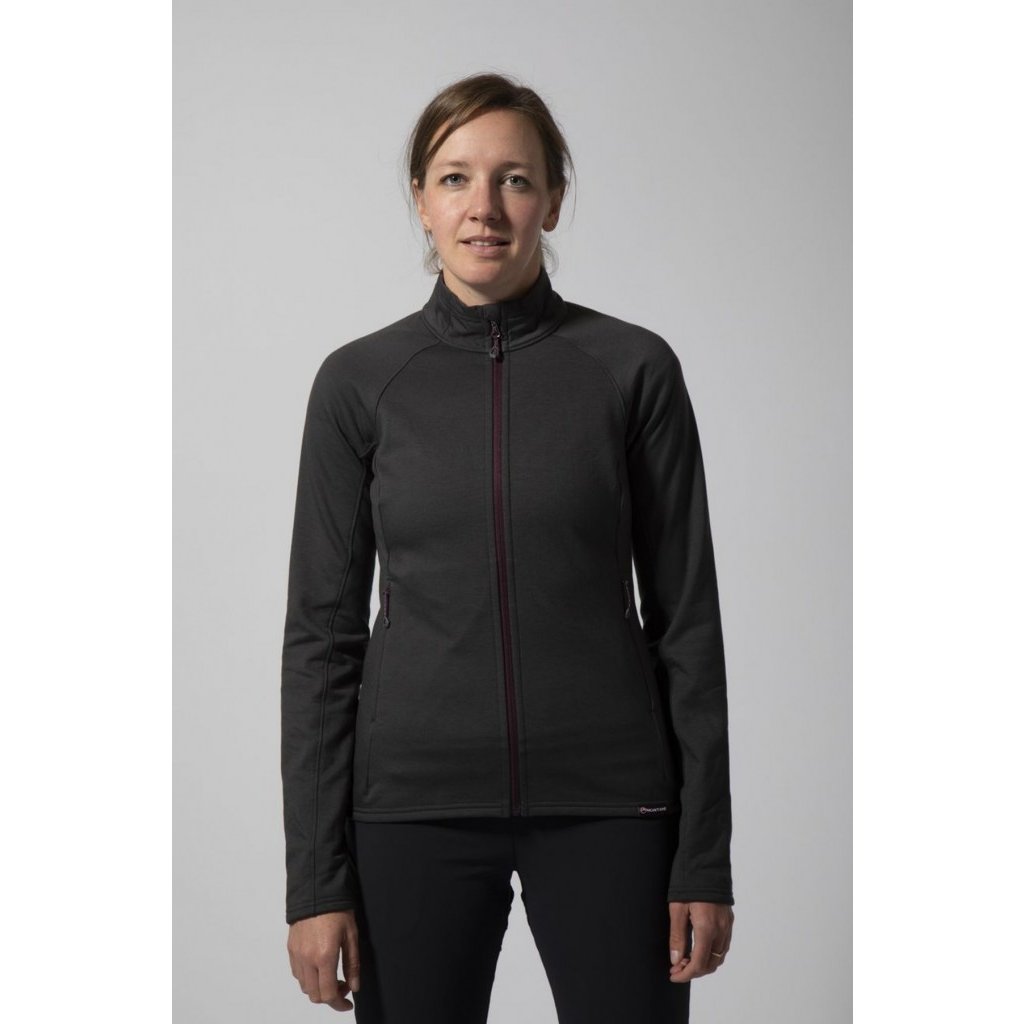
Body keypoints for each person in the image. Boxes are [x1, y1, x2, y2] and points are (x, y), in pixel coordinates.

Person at [281, 71, 735, 1023]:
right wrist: (316, 882)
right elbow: (321, 641)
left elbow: (687, 624)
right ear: (420, 199)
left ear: (553, 200)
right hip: (413, 812)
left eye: (514, 180)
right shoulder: (360, 383)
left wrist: (702, 856)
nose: (483, 207)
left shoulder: (632, 370)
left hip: (612, 806)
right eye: (455, 178)